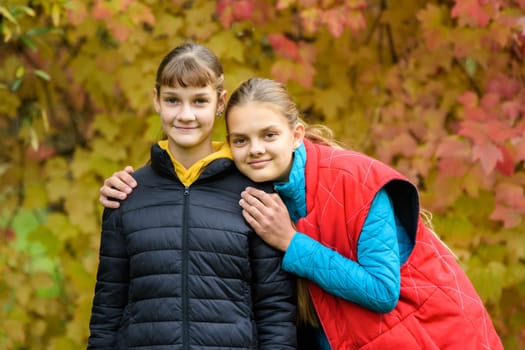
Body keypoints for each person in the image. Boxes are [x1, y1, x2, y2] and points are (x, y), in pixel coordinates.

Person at [100, 77, 503, 349]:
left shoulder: (355, 178)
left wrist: (290, 241)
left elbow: (382, 292)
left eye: (269, 135)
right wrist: (132, 187)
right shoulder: (253, 192)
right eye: (241, 140)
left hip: (432, 335)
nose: (255, 149)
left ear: (295, 134)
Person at [88, 45, 297, 350]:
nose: (186, 115)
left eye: (200, 101)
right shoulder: (127, 194)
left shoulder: (254, 194)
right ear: (156, 100)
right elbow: (107, 309)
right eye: (173, 100)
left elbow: (275, 311)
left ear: (220, 102)